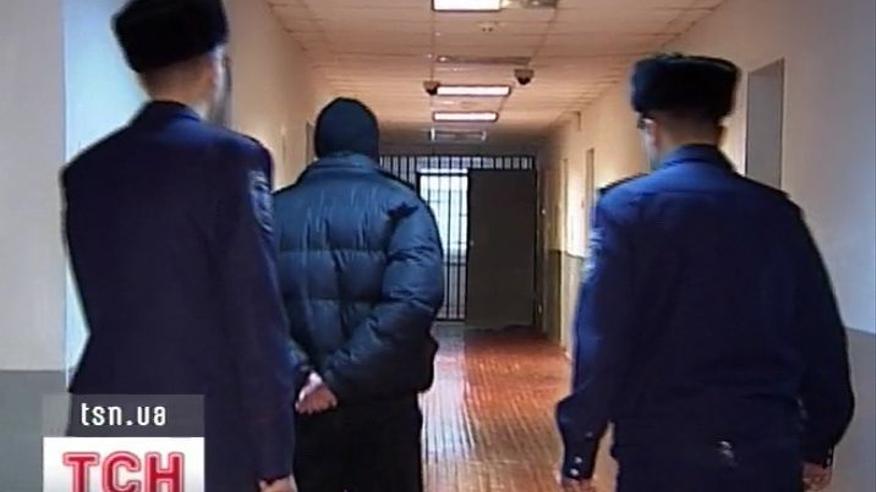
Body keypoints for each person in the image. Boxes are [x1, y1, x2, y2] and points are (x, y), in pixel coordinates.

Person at [556, 53, 855, 492]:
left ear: (651, 128)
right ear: (720, 130)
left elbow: (603, 338)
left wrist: (580, 448)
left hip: (662, 450)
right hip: (764, 450)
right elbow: (819, 334)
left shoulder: (627, 210)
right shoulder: (777, 214)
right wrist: (818, 442)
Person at [62, 1, 298, 491]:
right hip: (206, 421)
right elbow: (253, 313)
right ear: (214, 67)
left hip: (103, 410)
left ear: (141, 75)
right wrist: (275, 459)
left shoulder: (86, 172)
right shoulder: (231, 160)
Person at [273, 98, 444, 492]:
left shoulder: (274, 211)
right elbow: (412, 303)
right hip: (385, 407)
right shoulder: (404, 207)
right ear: (372, 147)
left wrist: (307, 376)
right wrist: (339, 380)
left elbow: (254, 309)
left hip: (302, 406)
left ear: (318, 146)